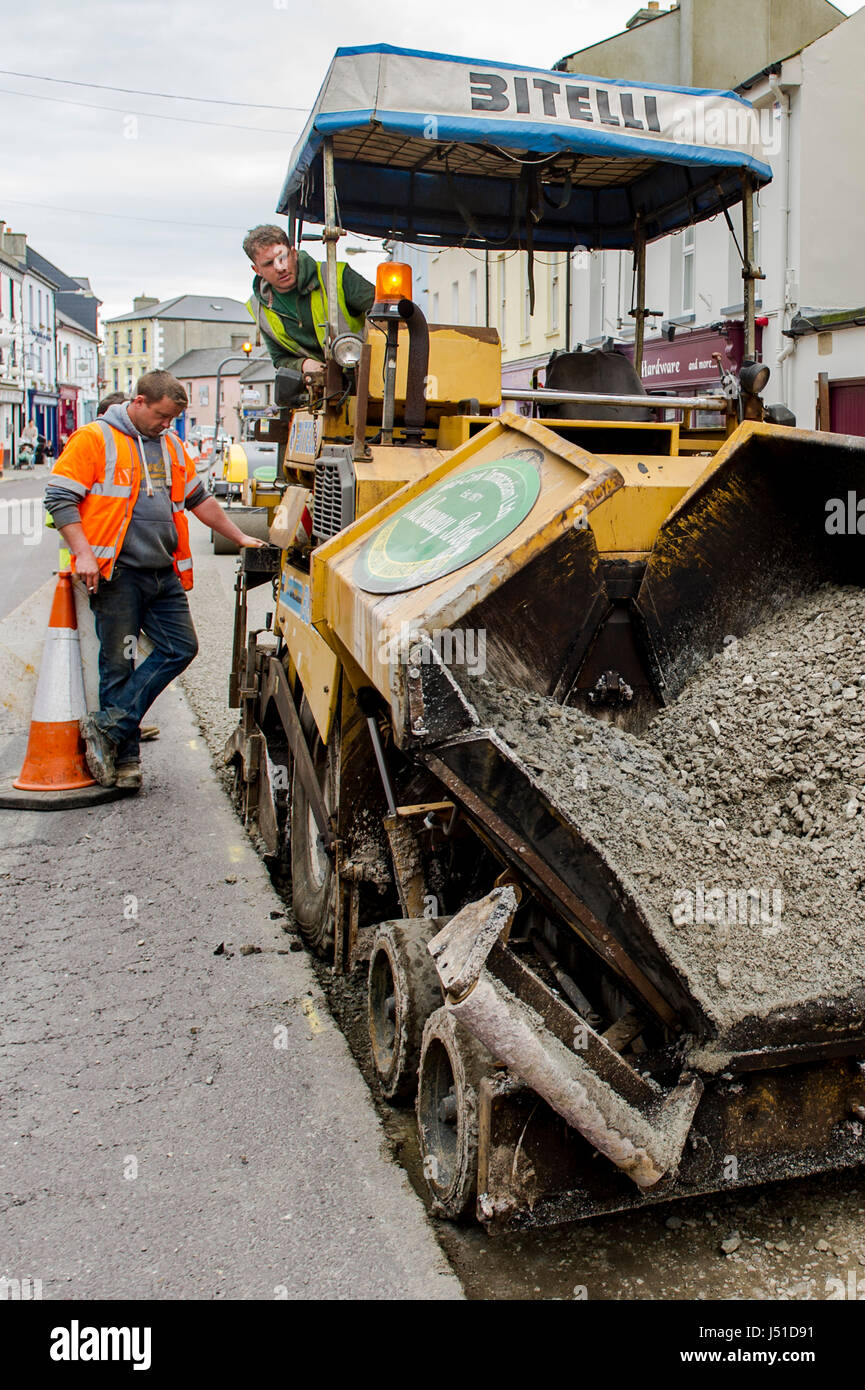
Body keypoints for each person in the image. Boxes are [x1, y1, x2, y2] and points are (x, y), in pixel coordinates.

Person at [44, 370, 264, 792]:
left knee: (181, 647)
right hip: (117, 574)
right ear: (139, 401)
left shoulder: (170, 445)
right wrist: (84, 553)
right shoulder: (94, 439)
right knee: (118, 666)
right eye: (162, 416)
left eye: (172, 419)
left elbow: (199, 499)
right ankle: (124, 763)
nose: (167, 425)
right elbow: (59, 498)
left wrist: (237, 536)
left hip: (162, 572)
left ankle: (107, 727)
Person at [243, 223, 374, 387]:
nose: (280, 268)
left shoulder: (336, 276)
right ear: (257, 270)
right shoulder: (258, 308)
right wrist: (304, 365)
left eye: (282, 257)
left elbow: (384, 314)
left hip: (368, 377)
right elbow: (280, 359)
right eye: (269, 264)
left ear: (293, 253)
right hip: (321, 390)